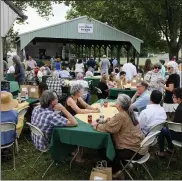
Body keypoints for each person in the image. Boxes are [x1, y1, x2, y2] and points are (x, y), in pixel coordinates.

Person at [93, 94, 147, 179]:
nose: (116, 103)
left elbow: (108, 128)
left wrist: (96, 125)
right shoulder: (129, 112)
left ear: (119, 105)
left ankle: (116, 171)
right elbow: (114, 123)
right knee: (110, 143)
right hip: (139, 147)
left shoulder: (121, 115)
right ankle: (122, 165)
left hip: (132, 150)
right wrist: (107, 120)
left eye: (117, 102)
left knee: (103, 148)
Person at [156, 88, 182, 157]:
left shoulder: (179, 109)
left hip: (180, 136)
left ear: (179, 99)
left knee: (162, 129)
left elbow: (176, 127)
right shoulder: (179, 107)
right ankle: (170, 148)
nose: (172, 98)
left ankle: (163, 152)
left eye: (173, 96)